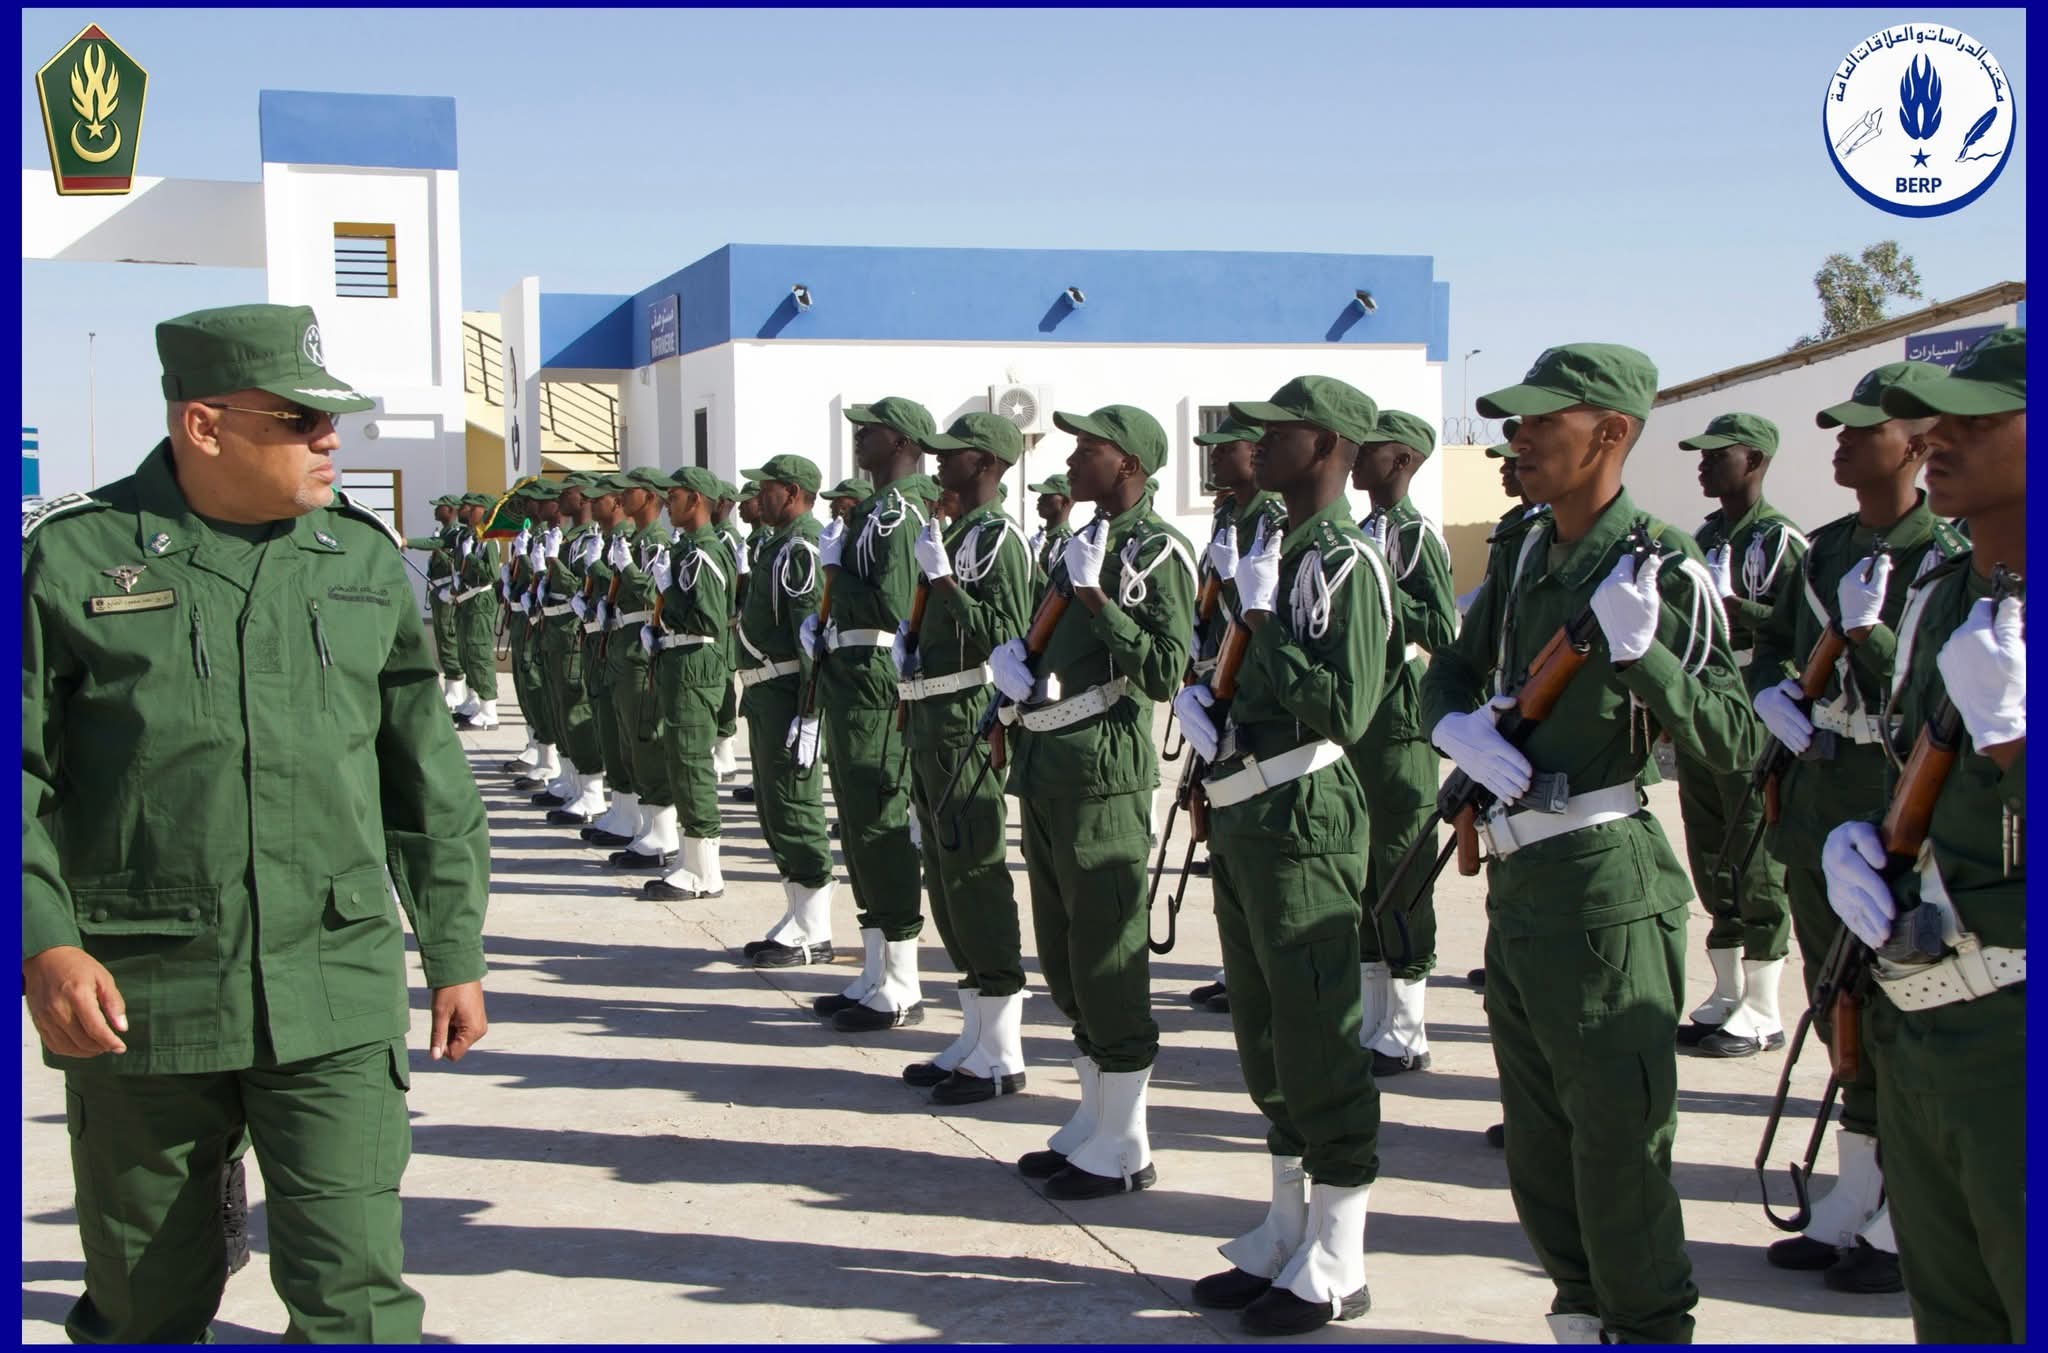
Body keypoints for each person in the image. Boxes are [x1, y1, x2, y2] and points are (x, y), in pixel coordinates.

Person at [21, 302, 490, 1342]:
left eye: (331, 420)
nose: (330, 439)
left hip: (333, 986)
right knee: (145, 1308)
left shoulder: (358, 559)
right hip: (142, 1000)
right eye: (297, 420)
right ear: (204, 425)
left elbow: (424, 773)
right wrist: (43, 942)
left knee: (356, 1305)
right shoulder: (73, 559)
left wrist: (454, 948)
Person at [1425, 342, 1755, 1343]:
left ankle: (1645, 1326)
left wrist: (1644, 654)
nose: (1516, 439)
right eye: (1516, 422)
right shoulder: (1526, 550)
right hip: (1521, 881)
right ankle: (1579, 1321)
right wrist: (1456, 729)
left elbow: (1733, 739)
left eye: (1541, 422)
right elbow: (1452, 669)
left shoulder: (1659, 563)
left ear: (1609, 433)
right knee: (1540, 1155)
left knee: (1616, 1153)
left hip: (1605, 885)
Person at [1173, 377, 1393, 1334]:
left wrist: (1261, 626)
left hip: (1305, 815)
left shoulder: (1348, 561)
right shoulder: (1276, 549)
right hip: (1248, 812)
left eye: (1279, 430)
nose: (1255, 442)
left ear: (1331, 445)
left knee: (1315, 1034)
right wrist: (1210, 710)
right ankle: (1286, 1226)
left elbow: (1347, 707)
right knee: (1265, 1036)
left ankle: (1339, 1252)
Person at [1823, 327, 2026, 1343]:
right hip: (1921, 1024)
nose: (1938, 439)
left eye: (1978, 422)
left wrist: (2016, 742)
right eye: (1936, 421)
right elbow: (1912, 772)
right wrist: (1856, 843)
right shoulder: (1943, 596)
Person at [1747, 359, 1962, 1292]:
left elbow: (1934, 702)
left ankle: (1907, 1204)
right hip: (1819, 802)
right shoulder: (1827, 549)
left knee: (1902, 1003)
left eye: (1862, 429)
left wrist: (1868, 643)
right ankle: (1856, 1188)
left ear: (1914, 445)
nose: (1839, 443)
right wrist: (1772, 693)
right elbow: (1777, 647)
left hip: (1892, 800)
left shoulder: (1947, 554)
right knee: (1835, 994)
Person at [992, 404, 1195, 1200]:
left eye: (1089, 449)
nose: (1073, 461)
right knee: (1068, 960)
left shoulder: (1157, 552)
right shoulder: (1083, 541)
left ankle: (1126, 1141)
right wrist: (1015, 669)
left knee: (1109, 960)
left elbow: (1165, 670)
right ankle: (1094, 1117)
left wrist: (1098, 601)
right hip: (1049, 768)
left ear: (1130, 465)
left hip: (1104, 778)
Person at [897, 413, 1035, 1103]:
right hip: (930, 718)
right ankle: (975, 1033)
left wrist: (947, 583)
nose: (938, 463)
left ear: (984, 463)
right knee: (946, 882)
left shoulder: (999, 540)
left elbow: (1006, 639)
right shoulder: (957, 533)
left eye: (952, 455)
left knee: (975, 877)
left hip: (965, 722)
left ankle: (1003, 1049)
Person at [1668, 414, 1805, 1058]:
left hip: (1754, 706)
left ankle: (1764, 1007)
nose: (1703, 465)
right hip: (1706, 704)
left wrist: (1739, 610)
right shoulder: (1704, 537)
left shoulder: (1781, 541)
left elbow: (1804, 627)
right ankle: (1727, 992)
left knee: (1755, 852)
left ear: (1754, 461)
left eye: (1716, 455)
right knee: (1712, 848)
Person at [804, 398, 933, 1032]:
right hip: (848, 681)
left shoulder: (901, 513)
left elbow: (895, 603)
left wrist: (836, 574)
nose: (860, 436)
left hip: (876, 685)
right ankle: (876, 969)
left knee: (881, 829)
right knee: (856, 830)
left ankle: (903, 982)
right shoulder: (877, 511)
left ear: (903, 441)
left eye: (871, 428)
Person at [1352, 408, 1458, 1076]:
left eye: (1372, 449)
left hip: (1398, 725)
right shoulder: (1364, 530)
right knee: (1364, 872)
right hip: (1361, 723)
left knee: (1401, 870)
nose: (1357, 458)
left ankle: (1408, 1026)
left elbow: (1443, 628)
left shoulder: (1416, 535)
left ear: (1404, 461)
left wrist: (1383, 584)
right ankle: (1373, 1017)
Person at [1181, 415, 1285, 1010]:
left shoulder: (1274, 521)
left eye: (1227, 447)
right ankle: (1234, 967)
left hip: (1251, 690)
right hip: (1216, 684)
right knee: (1220, 833)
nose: (1215, 457)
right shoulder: (1229, 518)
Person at [734, 456, 839, 967]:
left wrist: (810, 711)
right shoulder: (779, 544)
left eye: (768, 488)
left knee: (794, 806)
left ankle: (815, 927)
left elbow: (809, 638)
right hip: (766, 695)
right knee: (774, 806)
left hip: (786, 695)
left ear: (793, 493)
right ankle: (797, 913)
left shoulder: (801, 548)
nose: (759, 497)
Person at [644, 466, 737, 900]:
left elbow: (708, 619)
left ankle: (705, 872)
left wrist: (669, 594)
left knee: (691, 761)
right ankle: (690, 858)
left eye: (675, 496)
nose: (667, 503)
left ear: (697, 500)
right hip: (681, 660)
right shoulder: (688, 550)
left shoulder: (705, 553)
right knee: (679, 760)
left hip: (696, 662)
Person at [604, 471, 681, 870]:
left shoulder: (657, 542)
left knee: (647, 740)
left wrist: (629, 571)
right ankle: (646, 825)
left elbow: (656, 596)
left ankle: (663, 833)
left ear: (649, 497)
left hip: (642, 652)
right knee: (630, 743)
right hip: (625, 647)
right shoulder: (635, 541)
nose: (621, 495)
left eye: (629, 490)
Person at [531, 476, 608, 820]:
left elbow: (580, 585)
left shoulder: (591, 539)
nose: (561, 497)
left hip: (572, 633)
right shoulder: (569, 538)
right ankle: (572, 779)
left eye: (568, 492)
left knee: (577, 709)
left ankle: (592, 791)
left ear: (584, 497)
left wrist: (553, 564)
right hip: (554, 630)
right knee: (559, 707)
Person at [498, 482, 561, 777]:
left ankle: (548, 754)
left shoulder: (551, 537)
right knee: (525, 685)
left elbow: (548, 576)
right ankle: (535, 744)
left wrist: (524, 562)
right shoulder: (529, 535)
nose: (527, 506)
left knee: (538, 685)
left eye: (534, 500)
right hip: (524, 616)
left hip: (540, 621)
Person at [404, 494, 465, 704]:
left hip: (448, 593)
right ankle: (452, 688)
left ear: (451, 510)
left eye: (439, 507)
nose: (435, 510)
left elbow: (434, 544)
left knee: (449, 640)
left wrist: (406, 542)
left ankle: (456, 690)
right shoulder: (444, 531)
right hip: (438, 592)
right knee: (442, 640)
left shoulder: (455, 533)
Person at [450, 491, 503, 729]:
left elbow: (492, 574)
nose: (467, 512)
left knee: (479, 653)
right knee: (466, 652)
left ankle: (489, 710)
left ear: (483, 511)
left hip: (480, 601)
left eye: (472, 509)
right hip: (467, 601)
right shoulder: (473, 537)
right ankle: (474, 703)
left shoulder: (488, 540)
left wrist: (470, 557)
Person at [710, 480, 747, 784]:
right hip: (718, 621)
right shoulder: (715, 536)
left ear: (724, 504)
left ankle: (725, 750)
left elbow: (738, 584)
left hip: (724, 623)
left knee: (723, 683)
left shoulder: (728, 539)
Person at [1026, 472, 1075, 580]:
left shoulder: (1068, 544)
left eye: (1046, 496)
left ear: (1065, 502)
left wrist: (1035, 564)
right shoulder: (1039, 538)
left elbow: (1059, 589)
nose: (1039, 499)